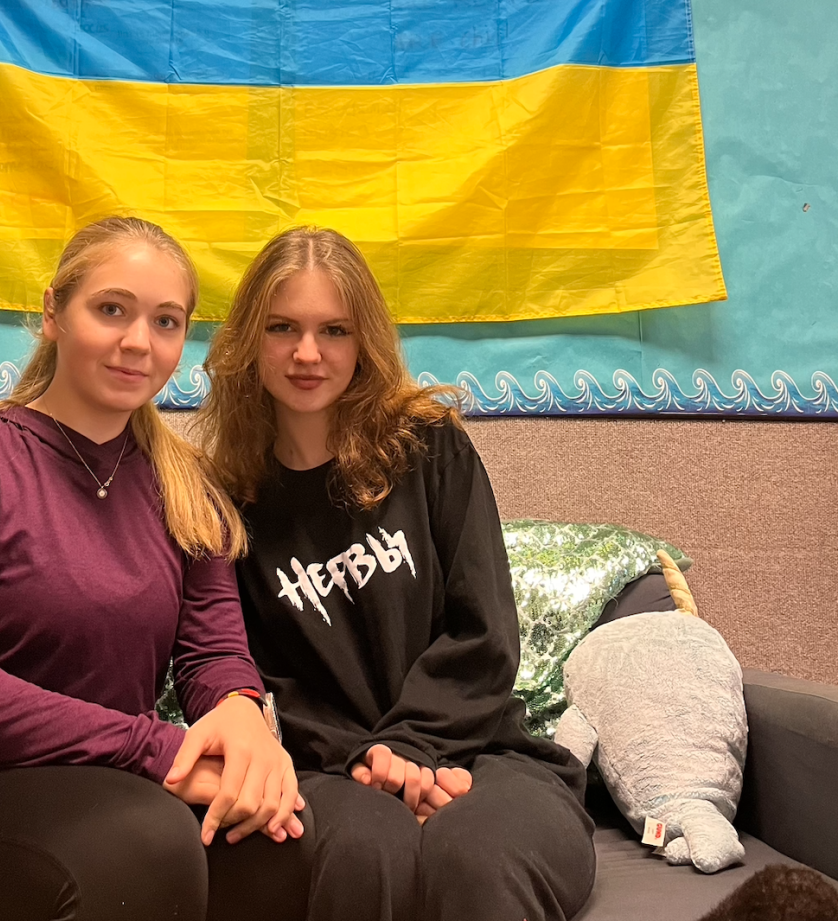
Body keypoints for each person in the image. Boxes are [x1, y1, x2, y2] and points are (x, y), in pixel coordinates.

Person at [0, 216, 309, 921]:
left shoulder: (187, 485)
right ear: (53, 312)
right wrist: (157, 747)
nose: (138, 342)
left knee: (275, 833)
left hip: (100, 782)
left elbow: (212, 653)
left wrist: (240, 719)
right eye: (111, 309)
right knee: (147, 845)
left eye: (166, 322)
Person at [197, 226, 596, 921]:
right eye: (281, 327)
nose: (306, 353)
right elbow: (252, 678)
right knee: (363, 855)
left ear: (365, 341)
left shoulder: (430, 448)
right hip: (329, 772)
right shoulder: (223, 500)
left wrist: (412, 747)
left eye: (334, 330)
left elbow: (485, 632)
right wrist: (373, 765)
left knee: (478, 859)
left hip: (485, 750)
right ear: (246, 341)